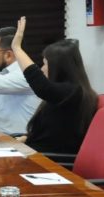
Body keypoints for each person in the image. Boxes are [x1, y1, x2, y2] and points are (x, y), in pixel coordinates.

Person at [11, 17, 98, 155]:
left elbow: (42, 87)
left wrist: (16, 48)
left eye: (45, 63)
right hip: (36, 152)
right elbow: (50, 131)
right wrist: (26, 138)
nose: (42, 68)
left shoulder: (73, 92)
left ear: (59, 67)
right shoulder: (65, 92)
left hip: (50, 160)